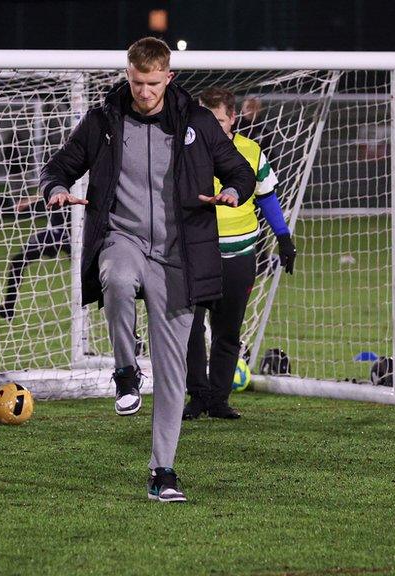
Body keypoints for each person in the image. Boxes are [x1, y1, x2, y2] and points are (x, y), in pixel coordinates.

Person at [39, 37, 255, 502]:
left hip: (180, 255)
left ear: (168, 78)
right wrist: (55, 187)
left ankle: (163, 471)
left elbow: (240, 171)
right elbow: (61, 165)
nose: (144, 91)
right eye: (137, 82)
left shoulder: (197, 122)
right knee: (115, 278)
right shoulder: (104, 121)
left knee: (174, 372)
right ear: (128, 75)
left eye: (153, 83)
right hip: (124, 238)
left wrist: (235, 191)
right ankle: (124, 371)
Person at [183, 87, 296, 420]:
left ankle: (218, 399)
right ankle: (197, 395)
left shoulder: (250, 150)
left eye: (218, 120)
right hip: (197, 256)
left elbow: (266, 196)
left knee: (228, 329)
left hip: (241, 255)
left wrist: (284, 237)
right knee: (189, 330)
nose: (212, 127)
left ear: (232, 118)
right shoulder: (185, 152)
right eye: (205, 119)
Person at [0, 194, 70, 321]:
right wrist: (29, 200)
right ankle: (8, 308)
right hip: (55, 231)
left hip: (74, 232)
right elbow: (53, 189)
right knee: (18, 261)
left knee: (85, 267)